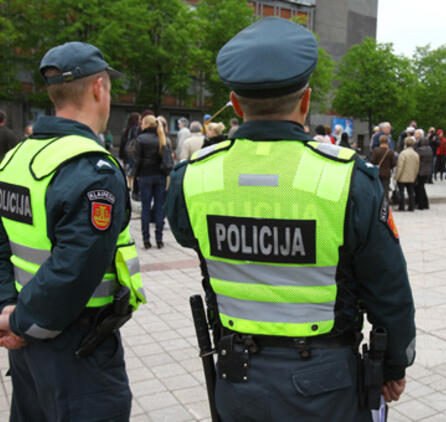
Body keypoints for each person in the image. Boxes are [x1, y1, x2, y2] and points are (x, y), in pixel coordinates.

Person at [164, 17, 415, 422]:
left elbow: (188, 235)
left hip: (237, 378)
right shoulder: (349, 178)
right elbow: (389, 292)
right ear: (306, 100)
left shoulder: (193, 175)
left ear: (236, 102)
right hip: (325, 384)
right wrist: (394, 367)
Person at [0, 41, 145, 421]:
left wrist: (8, 314)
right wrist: (19, 322)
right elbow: (74, 268)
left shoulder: (16, 157)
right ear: (100, 88)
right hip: (78, 348)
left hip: (29, 342)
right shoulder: (90, 167)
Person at [134, 114, 168, 249]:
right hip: (160, 177)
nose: (141, 125)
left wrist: (135, 179)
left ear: (147, 124)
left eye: (142, 123)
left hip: (145, 176)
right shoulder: (162, 138)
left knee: (146, 208)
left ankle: (146, 240)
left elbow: (137, 161)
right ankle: (159, 240)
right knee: (159, 207)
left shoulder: (141, 139)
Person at [395, 136, 420, 211]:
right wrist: (415, 175)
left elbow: (400, 166)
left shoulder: (403, 153)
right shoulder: (416, 154)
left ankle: (401, 206)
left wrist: (397, 176)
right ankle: (411, 206)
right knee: (411, 192)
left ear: (405, 143)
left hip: (402, 176)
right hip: (411, 176)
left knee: (401, 192)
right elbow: (417, 166)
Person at [370, 135, 395, 201]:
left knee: (377, 189)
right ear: (387, 142)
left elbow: (372, 161)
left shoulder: (376, 150)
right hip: (386, 173)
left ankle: (377, 204)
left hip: (377, 173)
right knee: (385, 190)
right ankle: (385, 205)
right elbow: (393, 163)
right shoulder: (390, 151)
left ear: (380, 141)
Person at [414, 131, 431, 209]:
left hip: (420, 171)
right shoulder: (429, 149)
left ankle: (421, 204)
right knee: (422, 187)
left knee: (420, 188)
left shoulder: (420, 150)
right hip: (427, 170)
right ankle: (425, 203)